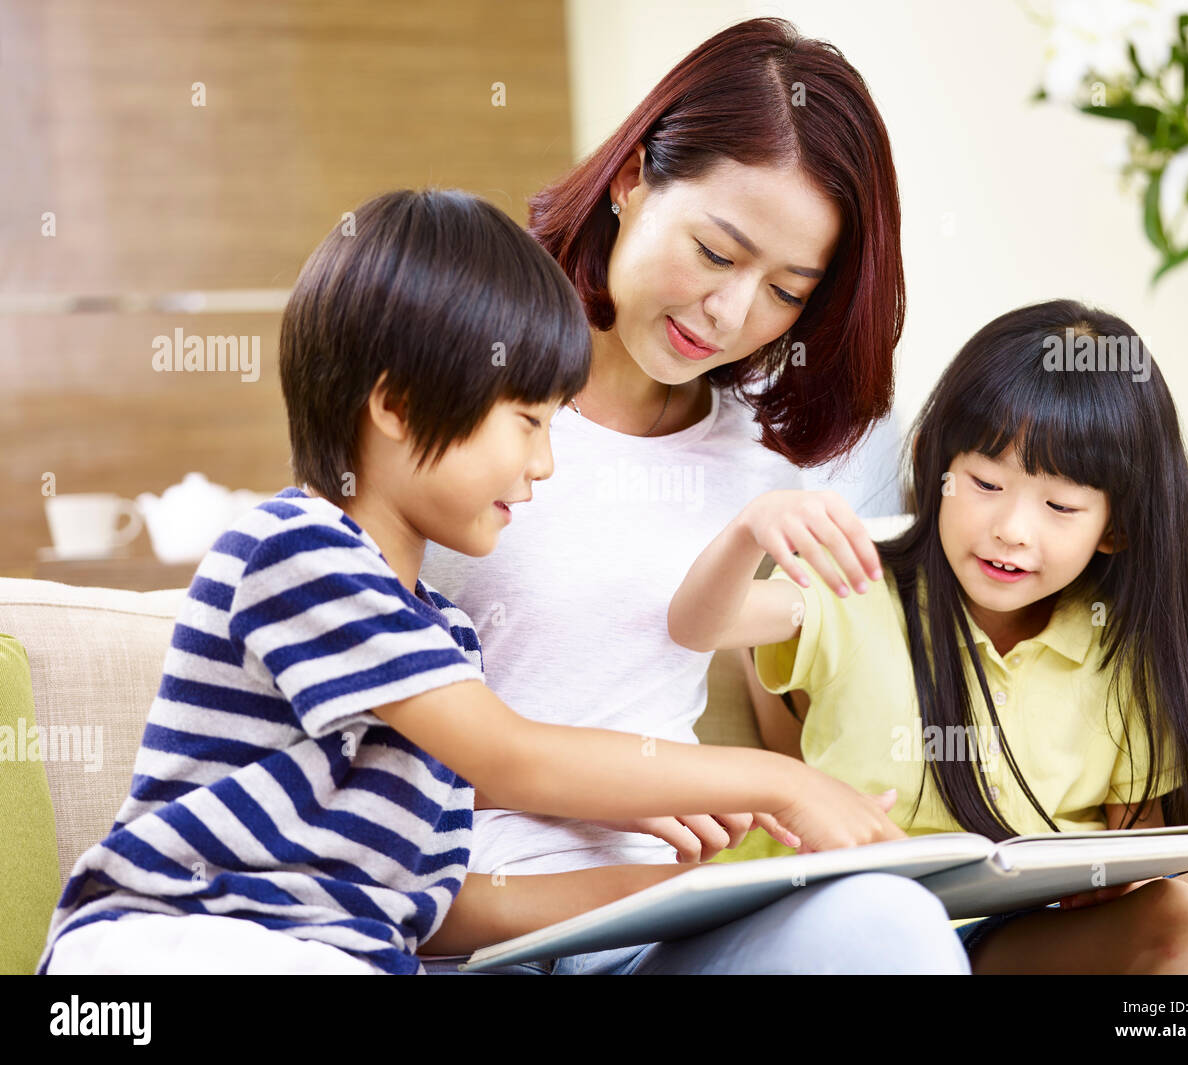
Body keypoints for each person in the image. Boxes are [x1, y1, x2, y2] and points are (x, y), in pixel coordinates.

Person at [36, 187, 931, 977]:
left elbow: (453, 893)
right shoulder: (297, 552)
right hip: (168, 949)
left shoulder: (438, 641)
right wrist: (781, 785)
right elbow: (514, 755)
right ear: (395, 404)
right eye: (527, 422)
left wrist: (692, 887)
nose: (544, 464)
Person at [415, 17, 964, 975]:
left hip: (651, 930)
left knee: (893, 928)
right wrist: (639, 782)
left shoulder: (760, 461)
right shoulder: (465, 384)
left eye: (788, 290)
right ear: (632, 179)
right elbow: (347, 711)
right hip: (477, 911)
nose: (732, 313)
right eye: (715, 253)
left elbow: (801, 697)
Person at [668, 298, 1188, 974]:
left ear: (1114, 527)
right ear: (935, 467)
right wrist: (747, 530)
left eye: (1060, 506)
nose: (1013, 529)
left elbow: (1135, 848)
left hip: (1054, 924)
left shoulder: (1116, 646)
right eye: (986, 482)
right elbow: (699, 624)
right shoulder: (854, 594)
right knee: (1176, 927)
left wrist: (1120, 880)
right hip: (903, 929)